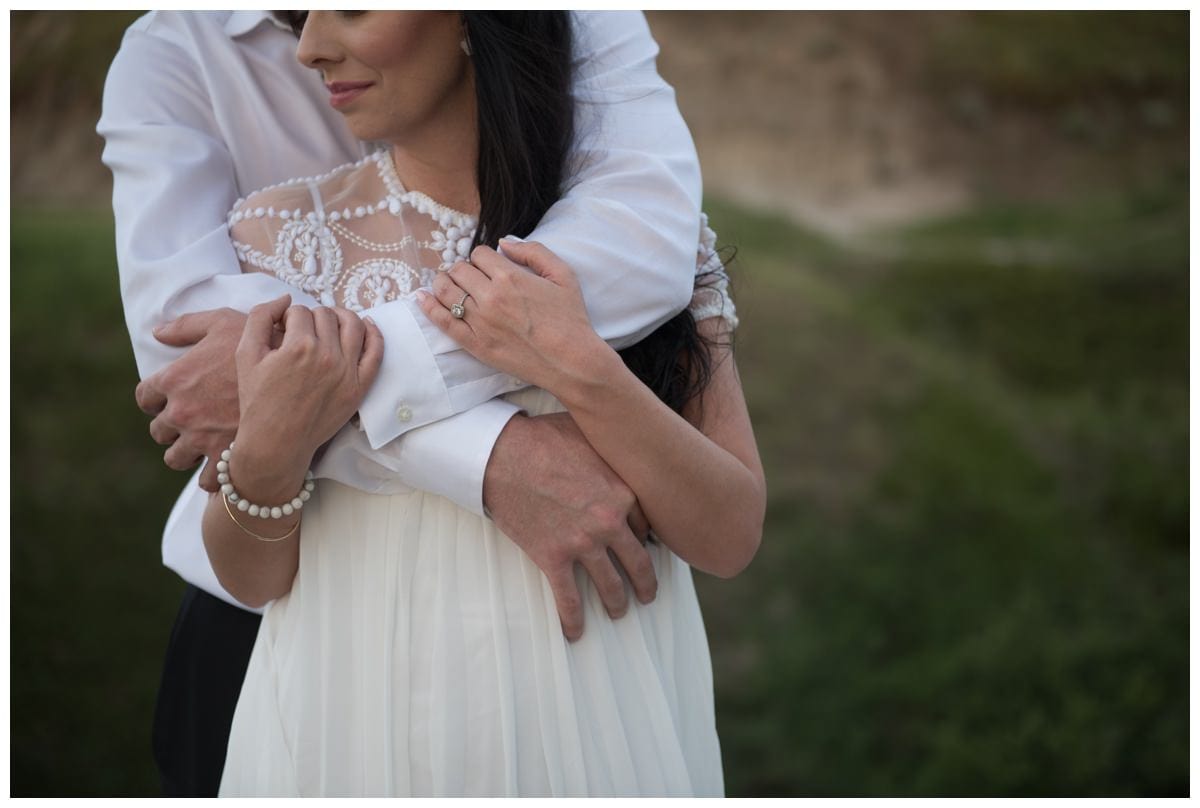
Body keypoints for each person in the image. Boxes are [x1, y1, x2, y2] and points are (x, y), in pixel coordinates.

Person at [98, 10, 707, 797]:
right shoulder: (175, 49)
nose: (314, 45)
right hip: (294, 617)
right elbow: (195, 373)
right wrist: (490, 456)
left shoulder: (578, 17)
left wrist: (324, 370)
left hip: (565, 644)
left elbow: (640, 243)